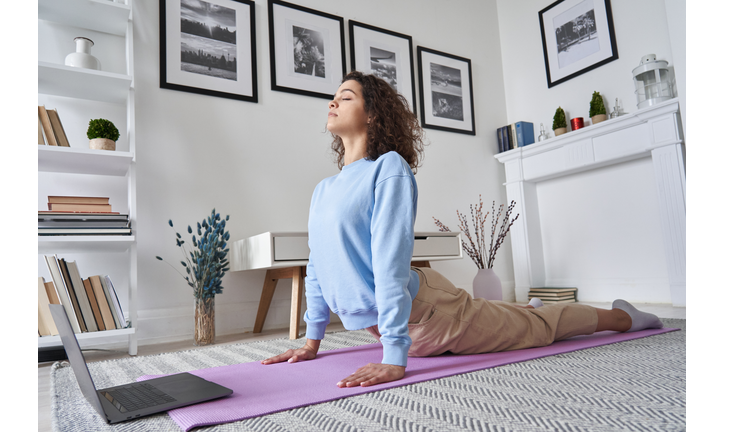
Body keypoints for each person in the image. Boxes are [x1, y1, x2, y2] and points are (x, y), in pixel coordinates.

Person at [260, 71, 663, 388]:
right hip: (412, 310)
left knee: (537, 330)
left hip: (431, 316)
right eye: (335, 96)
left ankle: (622, 318)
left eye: (346, 96)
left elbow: (389, 260)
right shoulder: (324, 190)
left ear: (372, 114)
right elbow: (318, 265)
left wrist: (394, 356)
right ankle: (521, 309)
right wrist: (311, 343)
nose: (333, 101)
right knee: (497, 317)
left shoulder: (388, 170)